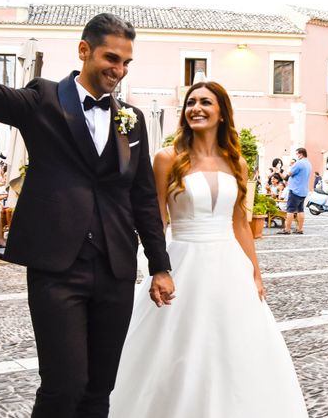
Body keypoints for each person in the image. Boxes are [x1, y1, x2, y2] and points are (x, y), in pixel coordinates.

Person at [0, 0, 173, 418]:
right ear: (84, 51)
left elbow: (143, 198)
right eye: (111, 58)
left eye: (126, 63)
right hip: (57, 267)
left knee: (99, 389)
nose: (118, 70)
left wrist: (159, 265)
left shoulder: (132, 119)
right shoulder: (44, 98)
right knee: (63, 386)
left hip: (117, 269)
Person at [108, 82, 308, 418]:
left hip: (230, 267)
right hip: (182, 262)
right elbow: (155, 218)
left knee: (235, 349)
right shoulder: (167, 158)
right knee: (178, 351)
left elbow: (240, 223)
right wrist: (157, 267)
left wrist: (255, 273)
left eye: (205, 102)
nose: (196, 108)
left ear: (221, 112)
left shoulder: (237, 163)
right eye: (191, 103)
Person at [280, 148, 311, 235]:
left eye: (297, 154)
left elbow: (289, 174)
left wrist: (282, 174)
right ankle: (300, 229)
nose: (296, 156)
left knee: (290, 210)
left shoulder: (299, 163)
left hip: (295, 190)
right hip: (304, 190)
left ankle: (287, 229)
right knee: (300, 210)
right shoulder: (308, 163)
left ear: (301, 154)